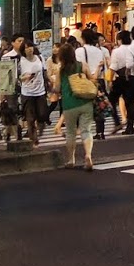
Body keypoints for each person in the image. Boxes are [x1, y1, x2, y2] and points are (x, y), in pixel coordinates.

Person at [54, 41, 97, 170]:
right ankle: (88, 155)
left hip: (69, 104)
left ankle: (71, 159)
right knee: (86, 130)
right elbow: (92, 80)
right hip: (85, 101)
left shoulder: (60, 70)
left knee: (70, 132)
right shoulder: (82, 65)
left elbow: (57, 88)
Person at [76, 29, 109, 141]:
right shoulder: (99, 51)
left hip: (86, 80)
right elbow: (102, 67)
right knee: (99, 106)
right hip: (99, 80)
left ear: (83, 38)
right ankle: (100, 131)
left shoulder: (80, 51)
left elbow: (79, 67)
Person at [18, 45, 49, 145]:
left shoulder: (40, 58)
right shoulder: (20, 61)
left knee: (42, 114)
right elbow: (17, 77)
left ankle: (41, 126)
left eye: (30, 46)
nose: (29, 49)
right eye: (26, 47)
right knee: (30, 118)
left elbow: (45, 72)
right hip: (27, 92)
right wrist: (24, 78)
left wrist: (50, 82)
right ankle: (34, 139)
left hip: (40, 91)